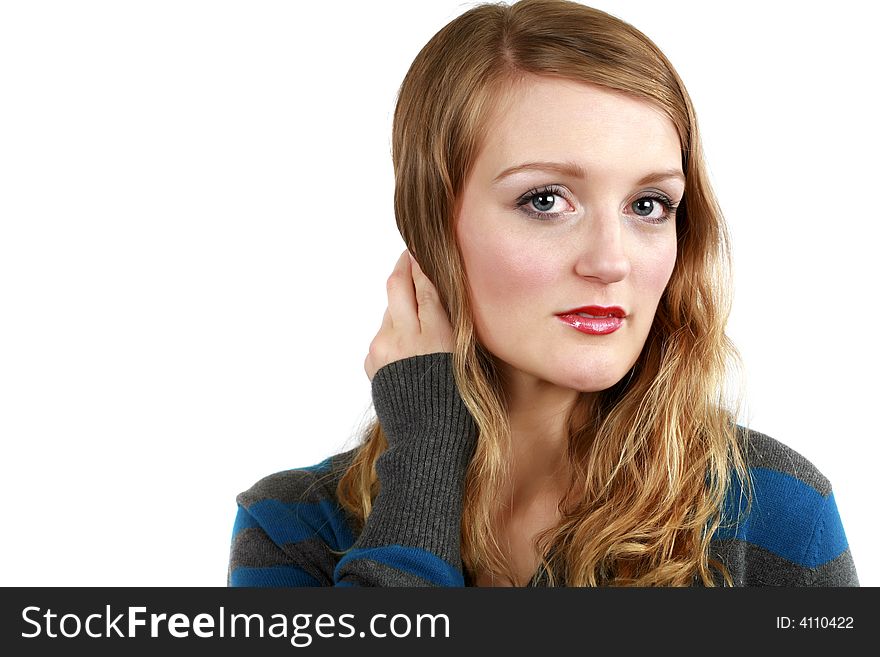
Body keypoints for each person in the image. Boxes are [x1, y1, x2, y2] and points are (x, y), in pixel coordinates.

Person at [227, 0, 858, 587]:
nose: (611, 261)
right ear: (432, 222)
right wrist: (424, 461)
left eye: (649, 204)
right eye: (546, 200)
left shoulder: (774, 512)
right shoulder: (294, 528)